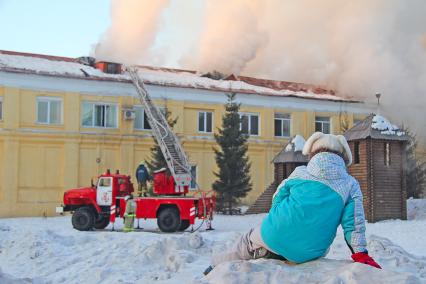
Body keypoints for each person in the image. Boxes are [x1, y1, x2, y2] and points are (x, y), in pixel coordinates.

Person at [204, 132, 381, 275]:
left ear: (313, 153)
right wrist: (360, 254)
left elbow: (277, 197)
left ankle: (214, 267)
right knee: (305, 244)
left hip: (274, 234)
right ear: (342, 158)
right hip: (310, 252)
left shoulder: (300, 173)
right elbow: (354, 224)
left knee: (246, 241)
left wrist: (279, 220)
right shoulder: (350, 184)